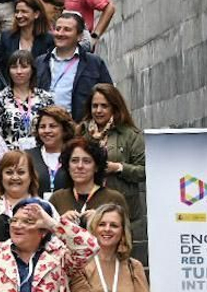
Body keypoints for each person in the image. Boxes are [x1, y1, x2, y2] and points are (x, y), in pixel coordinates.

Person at [84, 83, 146, 252]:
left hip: (123, 208)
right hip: (89, 206)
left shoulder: (130, 135)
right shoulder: (82, 134)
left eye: (104, 106)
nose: (98, 110)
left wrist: (118, 168)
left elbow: (145, 171)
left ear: (115, 107)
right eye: (94, 106)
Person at [35, 10, 114, 121]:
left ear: (79, 36)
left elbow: (109, 96)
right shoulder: (40, 62)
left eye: (67, 30)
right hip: (46, 130)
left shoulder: (93, 63)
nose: (60, 34)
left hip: (80, 130)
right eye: (57, 29)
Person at [0, 50, 57, 150]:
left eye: (24, 67)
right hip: (10, 155)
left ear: (32, 70)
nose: (19, 71)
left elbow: (53, 128)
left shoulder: (45, 98)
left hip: (41, 155)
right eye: (14, 67)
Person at [49, 136, 129, 221]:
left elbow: (125, 232)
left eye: (86, 161)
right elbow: (46, 232)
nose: (80, 166)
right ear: (68, 166)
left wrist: (100, 220)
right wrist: (60, 222)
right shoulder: (57, 198)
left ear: (96, 167)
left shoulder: (113, 198)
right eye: (74, 160)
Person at [28, 104, 77, 194]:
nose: (47, 131)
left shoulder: (75, 155)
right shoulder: (28, 156)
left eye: (52, 126)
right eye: (42, 127)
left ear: (64, 129)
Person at [0, 0, 53, 70]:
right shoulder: (6, 37)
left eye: (24, 11)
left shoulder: (48, 40)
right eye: (17, 12)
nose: (19, 15)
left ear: (36, 14)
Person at [0, 149, 42, 215]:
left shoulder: (42, 207)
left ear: (31, 175)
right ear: (1, 176)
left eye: (21, 172)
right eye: (9, 172)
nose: (15, 177)